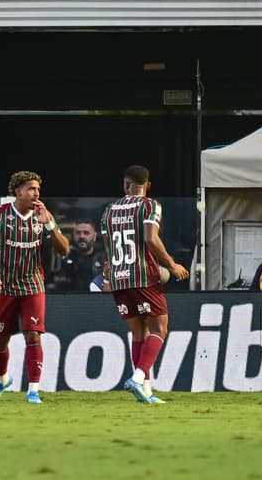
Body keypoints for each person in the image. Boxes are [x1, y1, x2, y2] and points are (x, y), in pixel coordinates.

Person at [100, 165, 189, 404]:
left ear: (125, 184)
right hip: (142, 276)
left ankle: (145, 391)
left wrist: (110, 269)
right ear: (147, 185)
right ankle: (139, 377)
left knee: (139, 333)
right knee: (159, 330)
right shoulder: (150, 205)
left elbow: (107, 252)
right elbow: (151, 238)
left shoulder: (109, 210)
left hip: (118, 279)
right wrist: (171, 264)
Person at [0, 171, 70, 404]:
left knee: (33, 335)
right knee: (0, 341)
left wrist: (50, 225)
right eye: (31, 189)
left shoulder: (43, 216)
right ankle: (2, 379)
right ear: (18, 191)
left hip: (33, 285)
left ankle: (33, 389)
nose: (36, 193)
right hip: (5, 287)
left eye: (38, 189)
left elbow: (64, 250)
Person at [55, 219, 106, 292]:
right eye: (78, 233)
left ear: (94, 236)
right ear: (73, 235)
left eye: (86, 233)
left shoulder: (103, 259)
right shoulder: (65, 258)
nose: (81, 236)